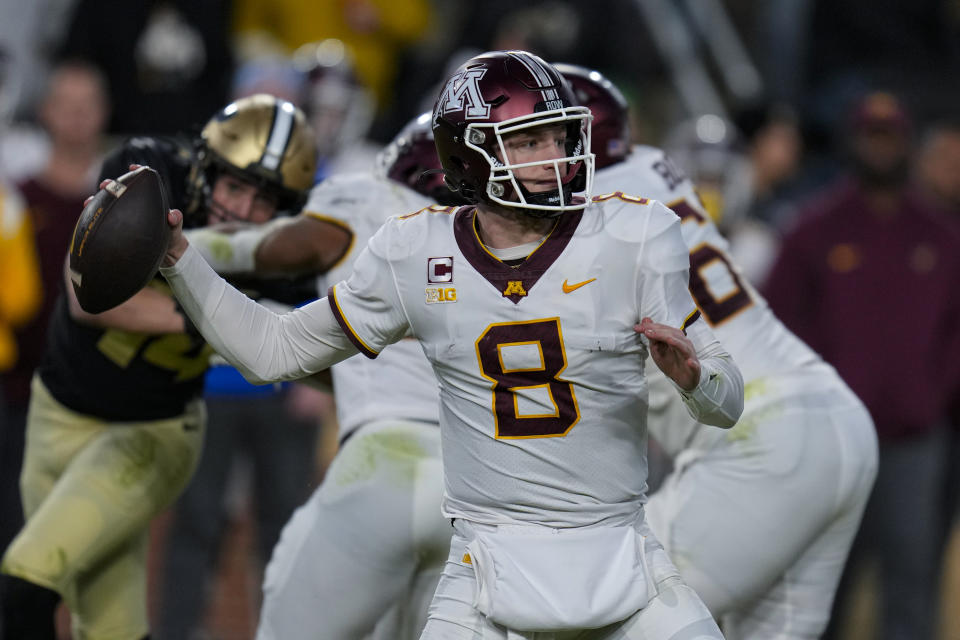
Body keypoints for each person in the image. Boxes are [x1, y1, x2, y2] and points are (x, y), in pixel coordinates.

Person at [159, 50, 744, 639]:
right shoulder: (414, 251)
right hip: (488, 575)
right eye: (528, 141)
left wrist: (697, 380)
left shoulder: (635, 233)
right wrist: (180, 259)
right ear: (470, 153)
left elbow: (726, 403)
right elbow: (273, 351)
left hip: (625, 563)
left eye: (559, 137)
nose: (554, 159)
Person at [558, 62, 879, 639]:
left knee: (599, 616)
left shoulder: (577, 207)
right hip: (831, 416)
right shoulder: (653, 172)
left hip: (760, 437)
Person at [0, 93, 324, 640]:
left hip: (151, 434)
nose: (243, 212)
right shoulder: (150, 176)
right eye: (235, 186)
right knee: (109, 627)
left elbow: (299, 353)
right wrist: (224, 320)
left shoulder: (290, 257)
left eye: (264, 201)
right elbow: (91, 297)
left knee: (26, 581)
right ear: (204, 170)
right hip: (56, 413)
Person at [763, 91, 960, 640]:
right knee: (822, 584)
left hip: (915, 442)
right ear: (855, 142)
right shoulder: (813, 231)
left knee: (913, 580)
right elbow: (772, 326)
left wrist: (933, 395)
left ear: (906, 145)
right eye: (871, 137)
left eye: (890, 138)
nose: (880, 149)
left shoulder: (942, 237)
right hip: (833, 442)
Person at [257, 112, 455, 640]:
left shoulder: (363, 203)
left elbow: (280, 334)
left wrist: (185, 262)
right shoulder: (505, 255)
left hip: (384, 462)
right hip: (474, 489)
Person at [0, 58, 109, 560]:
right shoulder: (17, 199)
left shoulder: (121, 205)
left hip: (96, 403)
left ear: (104, 113)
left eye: (86, 106)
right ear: (45, 112)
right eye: (65, 106)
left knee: (84, 554)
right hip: (18, 396)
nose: (75, 118)